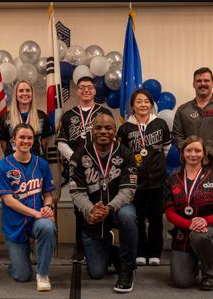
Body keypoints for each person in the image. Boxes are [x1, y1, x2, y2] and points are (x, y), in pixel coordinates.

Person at [172, 67, 213, 269]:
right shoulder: (183, 110)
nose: (203, 83)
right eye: (199, 80)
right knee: (188, 200)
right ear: (193, 83)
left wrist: (208, 152)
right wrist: (190, 151)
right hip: (190, 164)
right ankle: (186, 243)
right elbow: (176, 135)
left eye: (206, 80)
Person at [69, 113, 138, 293]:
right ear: (92, 130)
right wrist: (91, 209)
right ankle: (114, 252)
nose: (103, 131)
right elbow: (76, 192)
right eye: (98, 127)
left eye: (108, 128)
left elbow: (128, 190)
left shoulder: (126, 153)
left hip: (117, 208)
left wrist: (110, 207)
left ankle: (127, 268)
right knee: (97, 272)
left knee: (128, 216)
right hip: (92, 215)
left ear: (115, 130)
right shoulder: (79, 155)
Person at [165, 135, 213, 291]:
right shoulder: (173, 179)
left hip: (212, 232)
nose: (193, 154)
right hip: (183, 235)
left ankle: (209, 275)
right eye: (189, 150)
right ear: (183, 153)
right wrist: (190, 225)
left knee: (200, 235)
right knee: (181, 282)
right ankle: (195, 261)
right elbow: (169, 213)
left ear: (203, 153)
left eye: (197, 150)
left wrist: (205, 221)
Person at [0, 123, 57, 292]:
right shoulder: (2, 166)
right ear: (14, 140)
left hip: (37, 222)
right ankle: (20, 259)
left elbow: (48, 194)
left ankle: (43, 274)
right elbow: (9, 200)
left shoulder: (41, 164)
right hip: (15, 224)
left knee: (47, 225)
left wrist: (47, 207)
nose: (26, 141)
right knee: (22, 276)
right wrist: (37, 213)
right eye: (22, 137)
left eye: (29, 138)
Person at [57, 76, 113, 262]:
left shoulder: (104, 112)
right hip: (78, 169)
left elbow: (112, 139)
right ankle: (79, 248)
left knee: (101, 205)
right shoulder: (68, 115)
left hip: (101, 169)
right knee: (79, 208)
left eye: (90, 87)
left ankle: (104, 246)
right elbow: (61, 143)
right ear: (77, 91)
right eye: (82, 87)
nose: (86, 90)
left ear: (95, 90)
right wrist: (79, 159)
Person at [117, 89, 171, 267]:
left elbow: (166, 148)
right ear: (132, 105)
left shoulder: (160, 124)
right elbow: (122, 154)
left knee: (156, 218)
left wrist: (156, 164)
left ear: (151, 104)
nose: (143, 105)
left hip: (157, 180)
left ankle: (155, 252)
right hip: (135, 182)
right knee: (138, 218)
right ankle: (140, 251)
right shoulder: (125, 128)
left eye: (146, 101)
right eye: (139, 101)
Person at [0, 80, 52, 157]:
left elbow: (44, 142)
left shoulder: (41, 116)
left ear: (32, 94)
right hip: (13, 162)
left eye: (28, 90)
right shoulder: (6, 117)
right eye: (21, 91)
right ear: (16, 94)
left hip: (36, 160)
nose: (25, 93)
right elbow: (3, 142)